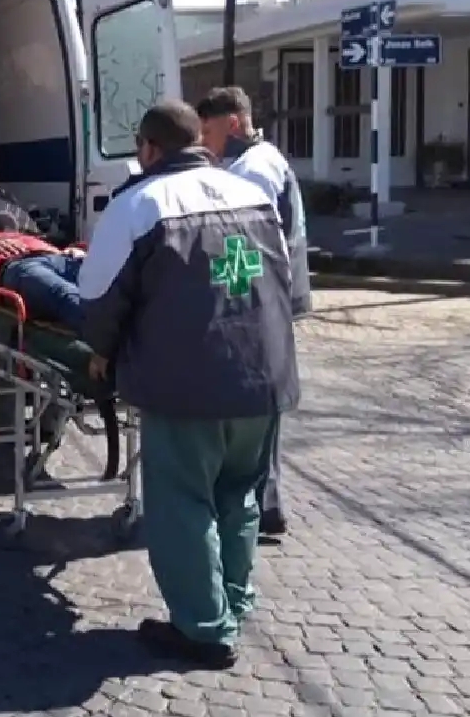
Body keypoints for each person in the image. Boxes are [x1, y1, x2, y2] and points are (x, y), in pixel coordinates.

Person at [78, 100, 299, 669]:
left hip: (188, 384)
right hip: (263, 376)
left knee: (183, 502)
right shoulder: (250, 193)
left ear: (149, 149)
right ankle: (234, 601)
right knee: (240, 495)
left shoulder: (139, 204)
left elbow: (98, 297)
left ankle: (202, 628)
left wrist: (101, 353)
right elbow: (284, 279)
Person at [197, 85, 311, 538]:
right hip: (268, 298)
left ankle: (263, 504)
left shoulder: (254, 169)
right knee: (258, 404)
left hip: (262, 301)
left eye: (208, 131)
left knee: (257, 404)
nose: (204, 142)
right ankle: (265, 503)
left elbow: (247, 242)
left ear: (232, 123)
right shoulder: (254, 161)